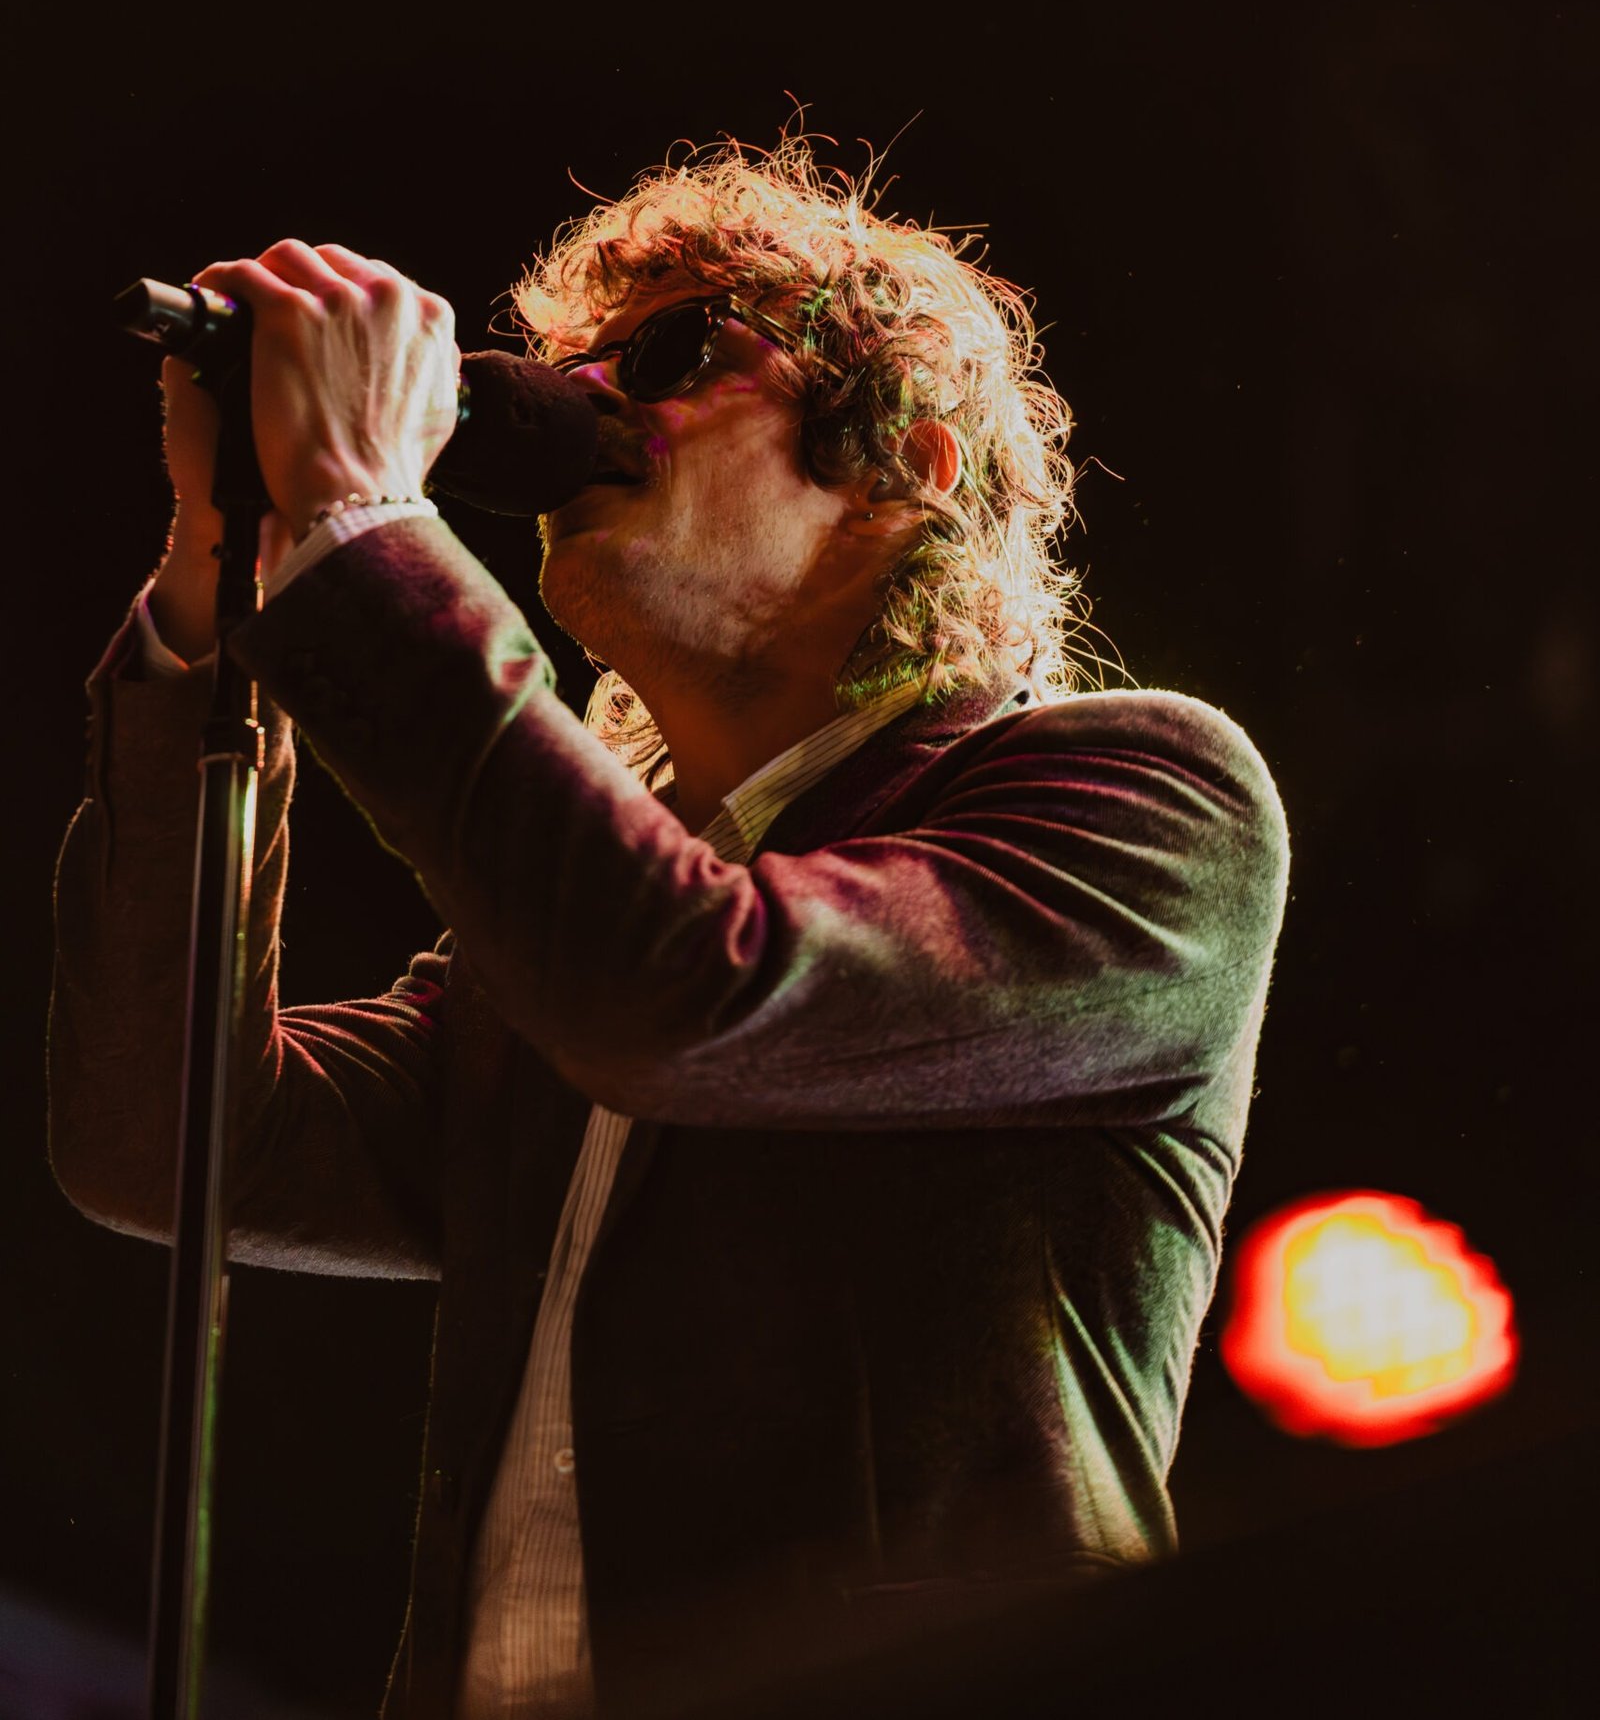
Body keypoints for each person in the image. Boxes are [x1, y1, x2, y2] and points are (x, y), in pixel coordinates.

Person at [49, 142, 1289, 1720]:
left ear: (907, 463)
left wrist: (365, 528)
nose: (584, 401)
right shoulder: (553, 956)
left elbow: (693, 991)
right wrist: (212, 600)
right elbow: (161, 1139)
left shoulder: (1143, 799)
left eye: (672, 353)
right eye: (573, 366)